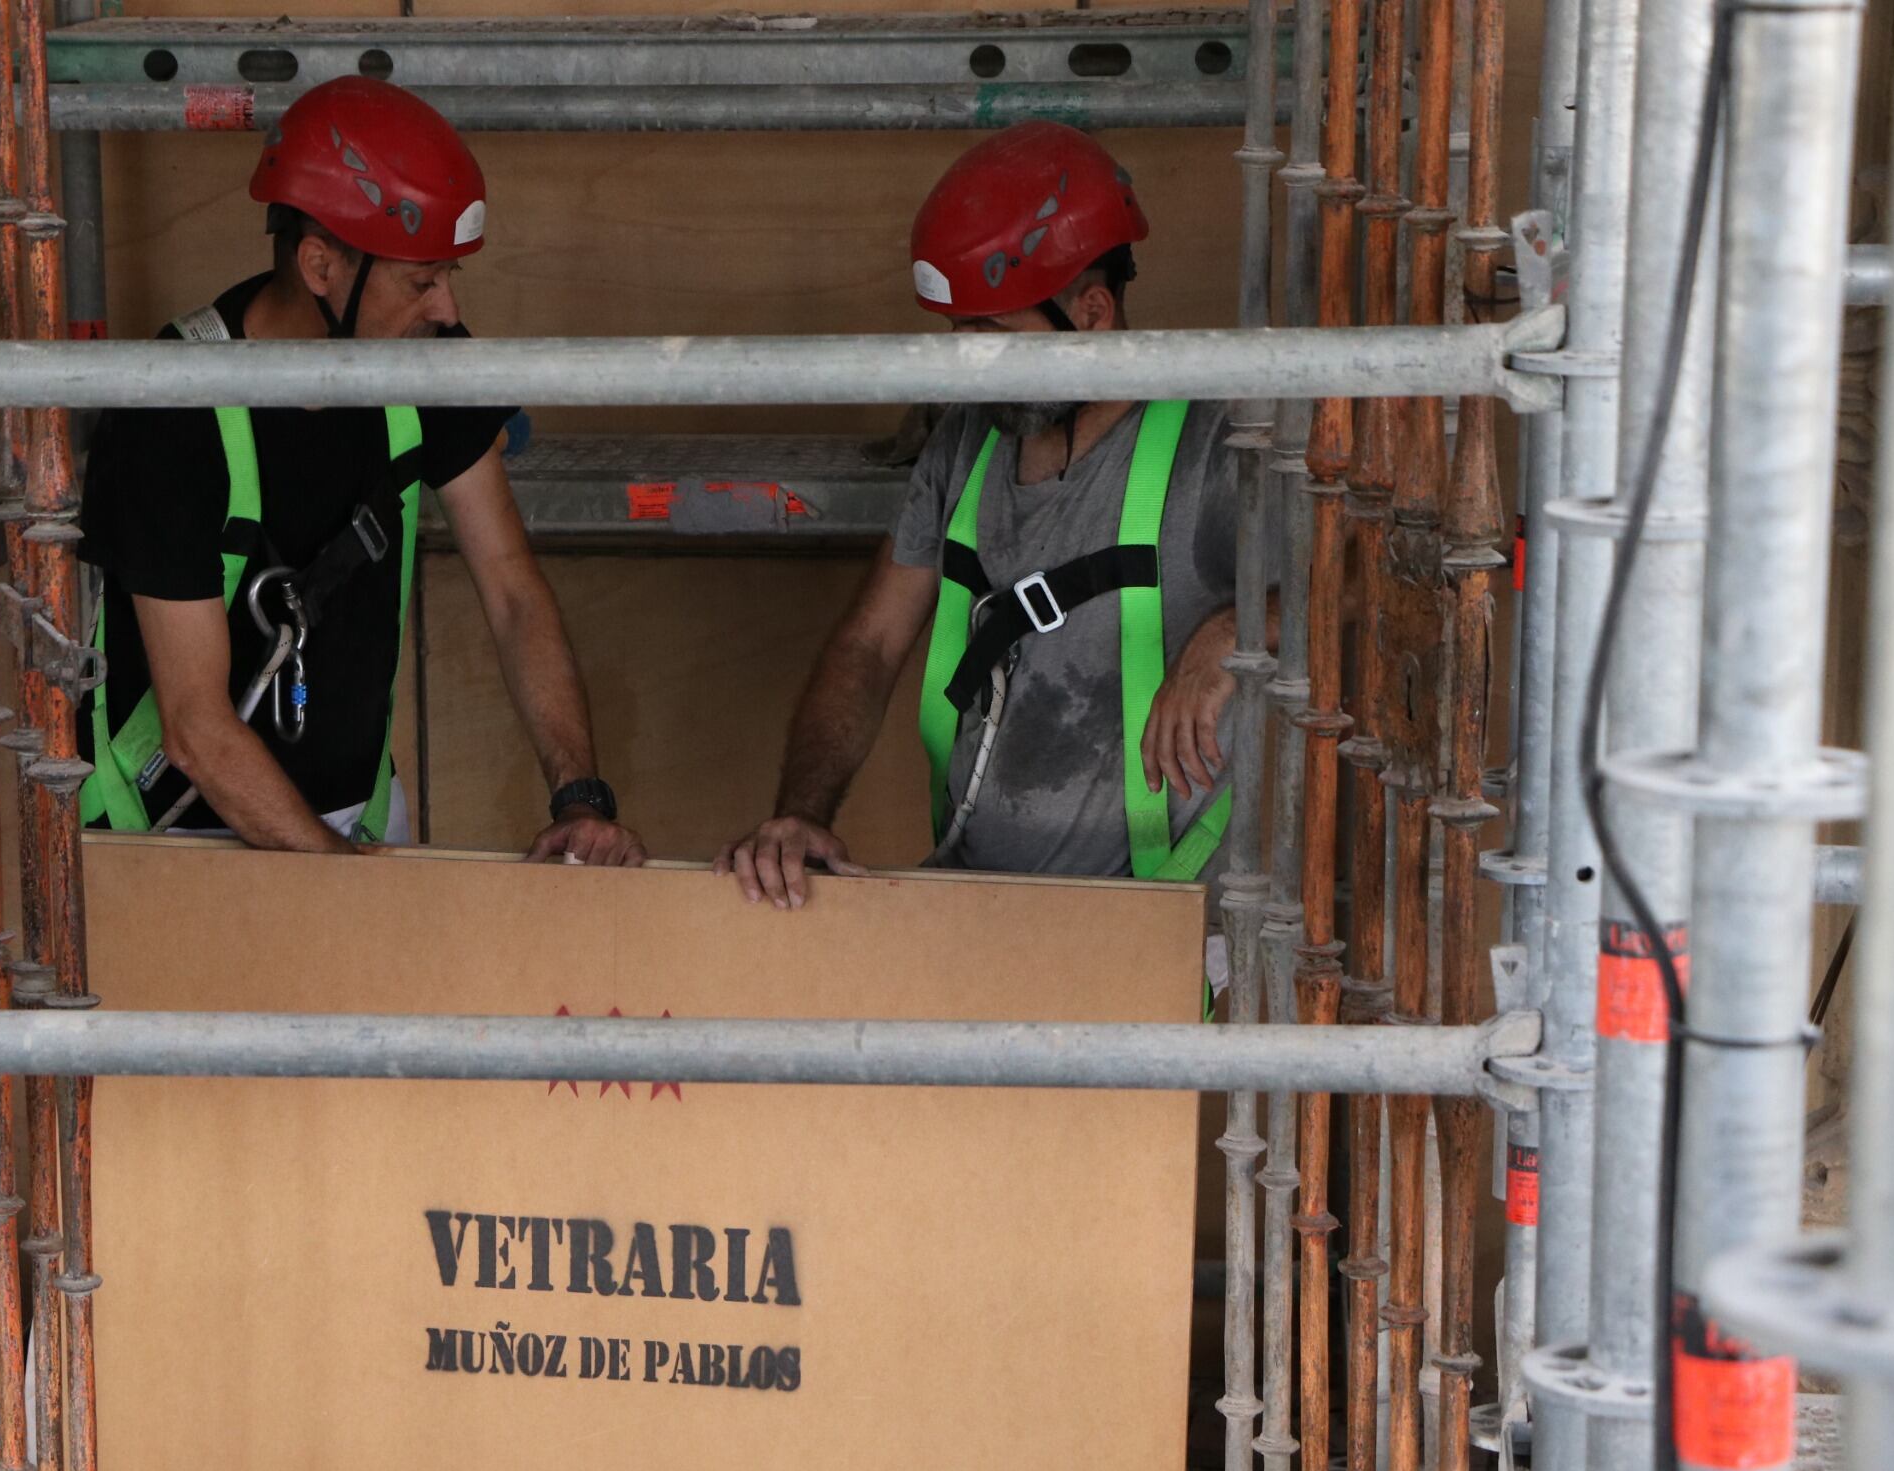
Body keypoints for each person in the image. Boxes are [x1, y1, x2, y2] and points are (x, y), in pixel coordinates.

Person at [77, 76, 643, 864]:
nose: (447, 311)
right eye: (422, 281)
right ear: (319, 266)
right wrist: (349, 898)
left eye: (451, 277)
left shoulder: (424, 363)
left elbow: (512, 590)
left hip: (353, 825)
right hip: (175, 843)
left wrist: (580, 795)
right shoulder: (171, 414)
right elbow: (196, 728)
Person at [718, 122, 1258, 908]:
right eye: (954, 336)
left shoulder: (1213, 446)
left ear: (1094, 312)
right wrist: (801, 815)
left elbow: (1356, 585)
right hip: (980, 908)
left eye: (992, 336)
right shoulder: (968, 443)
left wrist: (1236, 630)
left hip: (1152, 930)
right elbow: (869, 646)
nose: (966, 369)